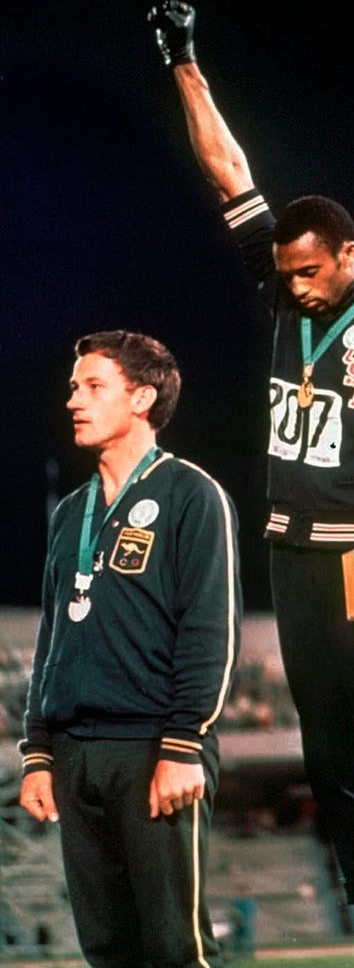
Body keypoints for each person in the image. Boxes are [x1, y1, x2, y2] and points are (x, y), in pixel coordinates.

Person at [147, 0, 354, 968]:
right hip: (294, 556)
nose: (291, 288)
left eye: (307, 273)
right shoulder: (287, 285)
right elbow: (230, 175)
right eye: (282, 275)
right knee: (334, 771)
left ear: (348, 254)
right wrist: (185, 63)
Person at [19, 330, 242, 968]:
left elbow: (209, 631)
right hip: (73, 755)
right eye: (72, 387)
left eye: (93, 387)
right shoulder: (70, 514)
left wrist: (183, 744)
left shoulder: (191, 495)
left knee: (177, 950)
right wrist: (38, 753)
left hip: (153, 751)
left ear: (142, 398)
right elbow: (52, 638)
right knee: (108, 950)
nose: (73, 401)